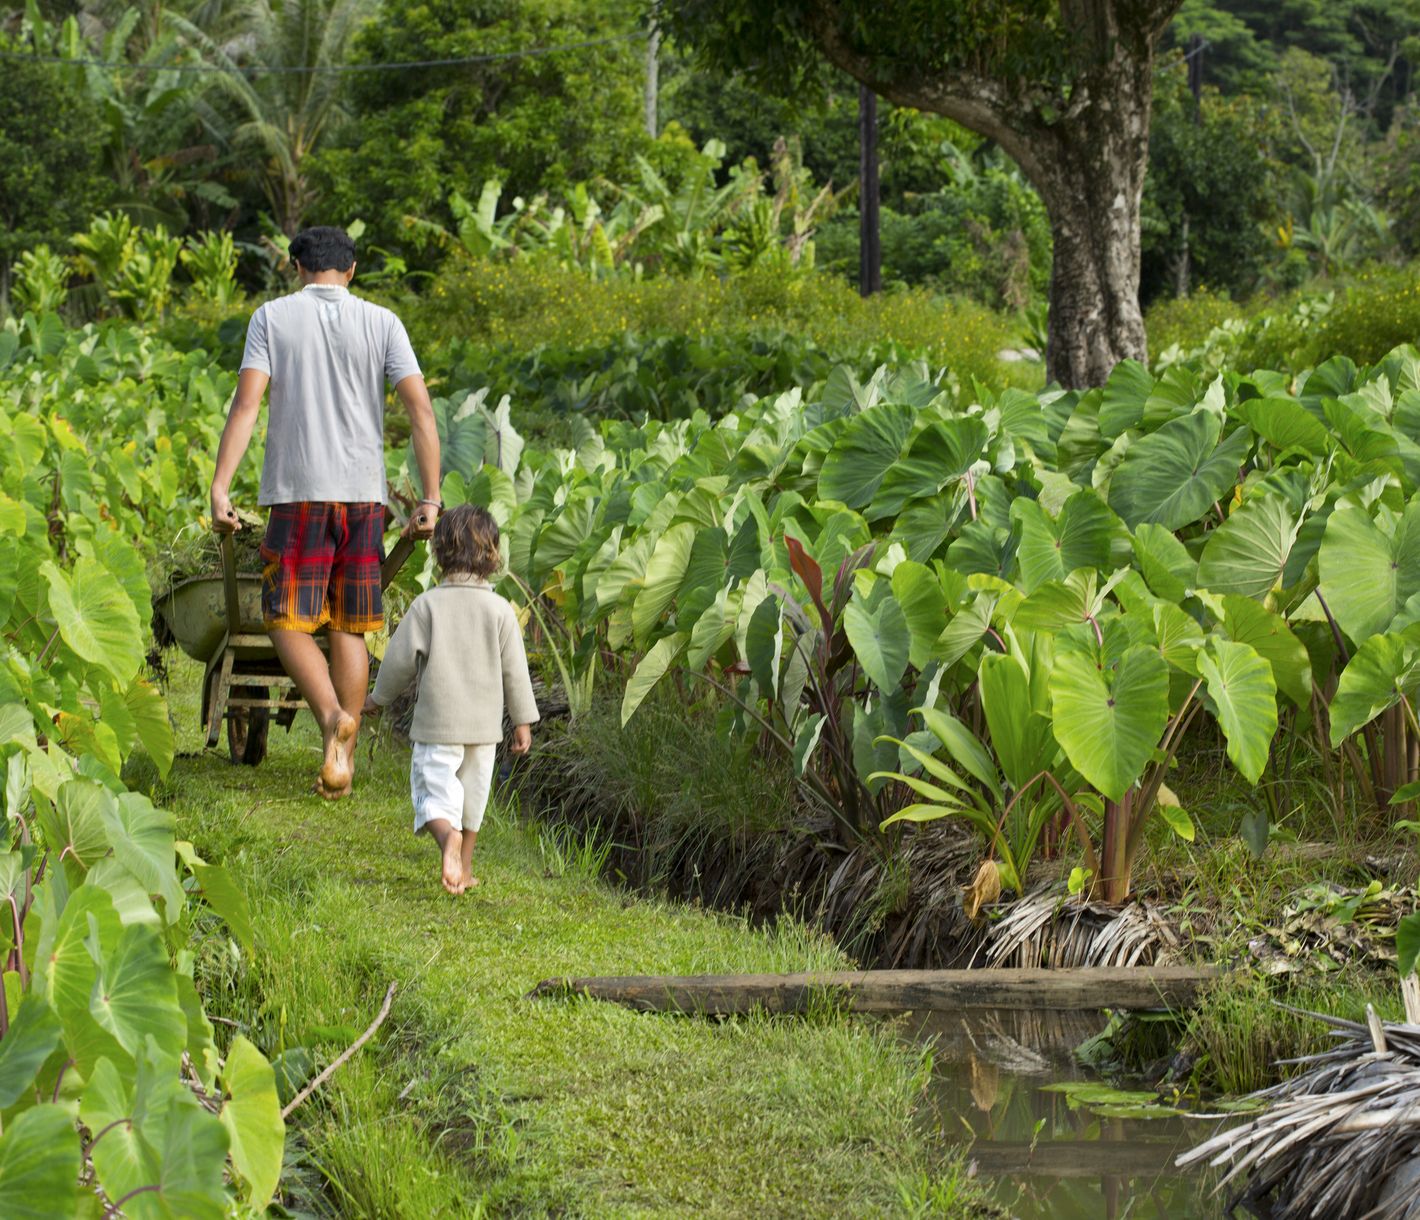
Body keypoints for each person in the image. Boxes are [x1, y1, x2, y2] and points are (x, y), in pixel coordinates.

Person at [208, 226, 442, 799]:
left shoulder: (272, 317)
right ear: (352, 270)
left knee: (285, 619)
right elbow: (421, 411)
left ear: (295, 267)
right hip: (363, 496)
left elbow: (246, 403)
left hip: (298, 491)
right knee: (349, 625)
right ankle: (343, 756)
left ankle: (333, 715)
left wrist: (220, 487)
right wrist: (431, 498)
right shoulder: (382, 322)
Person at [364, 505, 539, 894]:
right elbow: (516, 670)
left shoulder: (427, 606)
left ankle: (448, 842)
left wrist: (377, 697)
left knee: (433, 796)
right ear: (492, 554)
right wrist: (523, 722)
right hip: (484, 729)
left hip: (438, 726)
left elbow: (397, 661)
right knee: (472, 802)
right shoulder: (500, 610)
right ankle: (464, 869)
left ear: (439, 552)